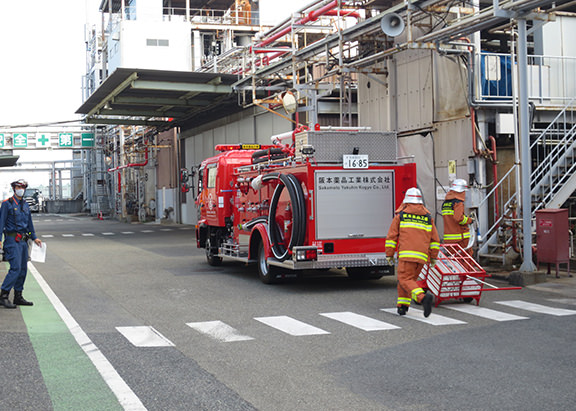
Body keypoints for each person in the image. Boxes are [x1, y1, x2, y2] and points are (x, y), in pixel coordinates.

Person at [386, 187, 440, 317]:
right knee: (409, 281)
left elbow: (392, 237)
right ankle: (403, 306)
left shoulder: (401, 216)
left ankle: (422, 297)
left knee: (404, 279)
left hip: (406, 255)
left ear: (406, 200)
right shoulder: (428, 217)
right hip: (421, 257)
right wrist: (433, 257)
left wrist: (389, 254)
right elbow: (435, 239)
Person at [0, 179, 42, 308]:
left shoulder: (25, 205)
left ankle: (18, 296)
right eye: (19, 187)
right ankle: (3, 295)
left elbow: (29, 223)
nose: (21, 189)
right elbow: (1, 223)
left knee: (23, 269)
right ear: (14, 188)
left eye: (23, 187)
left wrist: (34, 237)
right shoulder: (7, 204)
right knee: (15, 268)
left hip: (24, 242)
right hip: (12, 241)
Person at [442, 178, 474, 255]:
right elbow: (458, 218)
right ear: (461, 191)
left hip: (449, 239)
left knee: (453, 262)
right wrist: (469, 220)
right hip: (460, 239)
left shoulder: (445, 203)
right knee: (466, 260)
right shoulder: (458, 203)